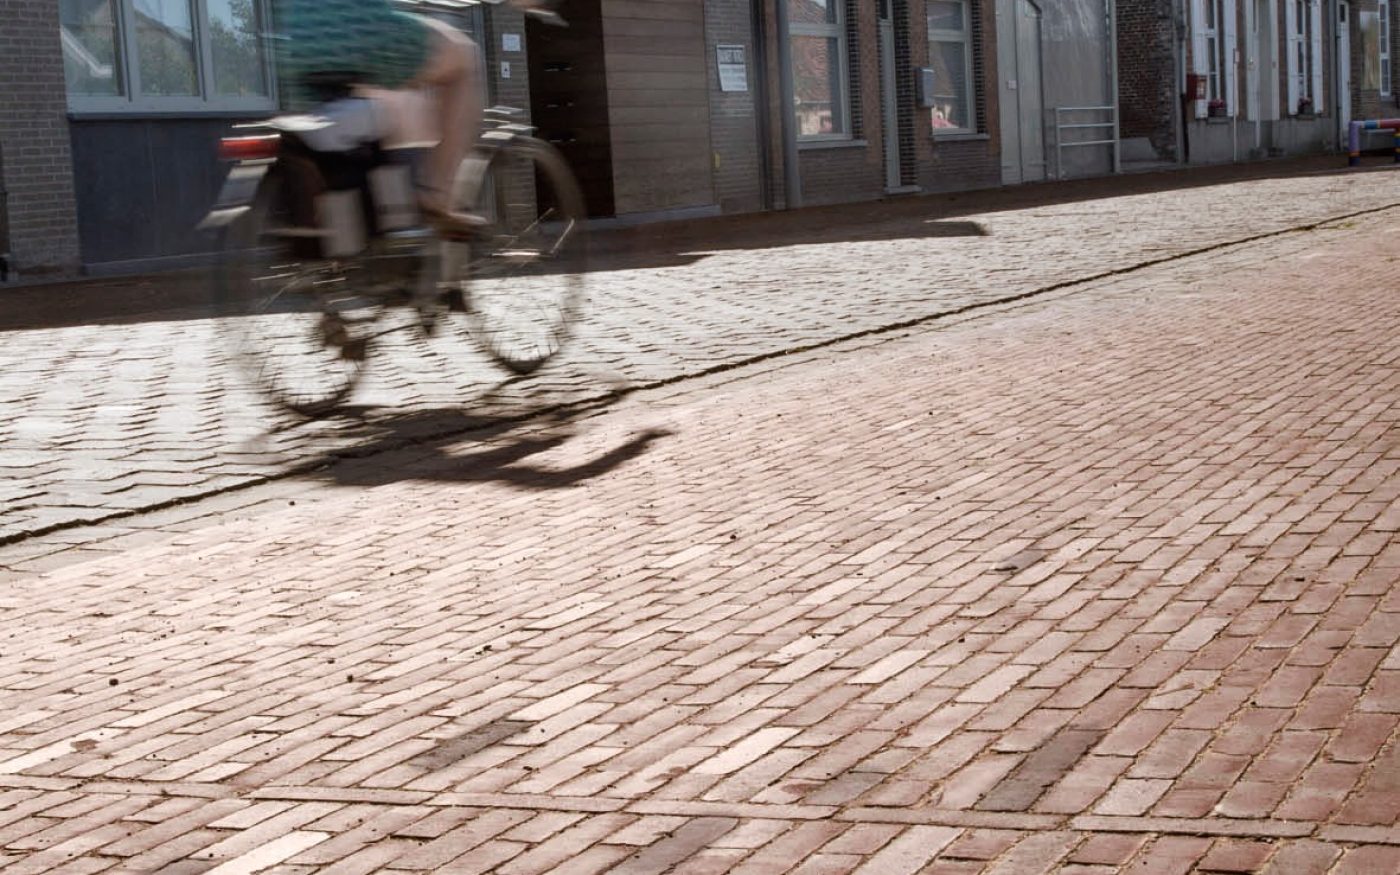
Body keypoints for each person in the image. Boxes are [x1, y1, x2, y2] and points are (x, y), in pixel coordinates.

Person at [275, 0, 485, 236]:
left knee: (372, 108)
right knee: (462, 58)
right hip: (362, 30)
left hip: (300, 41)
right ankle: (436, 194)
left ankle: (374, 224)